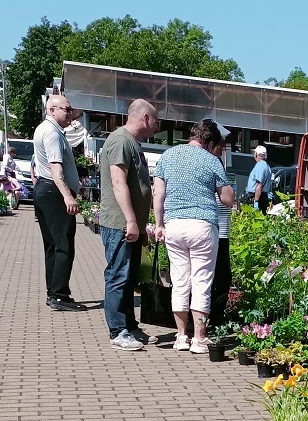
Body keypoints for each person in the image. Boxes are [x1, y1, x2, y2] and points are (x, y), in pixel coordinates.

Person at [153, 119, 235, 354]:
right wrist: (229, 192)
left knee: (179, 282)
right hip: (202, 226)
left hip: (174, 225)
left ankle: (180, 337)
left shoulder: (168, 155)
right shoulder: (212, 160)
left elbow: (159, 192)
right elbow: (227, 198)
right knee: (201, 282)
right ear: (209, 142)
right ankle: (199, 339)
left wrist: (159, 224)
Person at [99, 99, 160, 351]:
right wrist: (131, 221)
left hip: (130, 226)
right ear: (145, 118)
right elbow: (118, 182)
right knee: (118, 275)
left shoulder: (133, 143)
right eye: (156, 120)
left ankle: (129, 325)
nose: (157, 126)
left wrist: (141, 224)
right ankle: (118, 331)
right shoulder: (121, 141)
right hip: (119, 225)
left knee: (129, 275)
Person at [33, 95, 84, 312]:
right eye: (67, 109)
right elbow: (55, 167)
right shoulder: (52, 132)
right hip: (53, 192)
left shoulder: (46, 129)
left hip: (45, 190)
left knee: (53, 245)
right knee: (63, 245)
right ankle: (60, 295)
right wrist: (68, 196)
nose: (70, 112)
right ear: (52, 110)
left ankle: (53, 293)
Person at [209, 181, 236, 328]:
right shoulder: (214, 171)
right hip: (216, 234)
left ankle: (212, 317)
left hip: (219, 232)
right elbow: (228, 199)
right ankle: (215, 317)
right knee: (221, 277)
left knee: (217, 277)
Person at [246, 145, 272, 213]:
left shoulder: (260, 165)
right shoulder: (266, 165)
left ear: (256, 154)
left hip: (257, 196)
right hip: (263, 195)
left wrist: (256, 201)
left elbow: (259, 185)